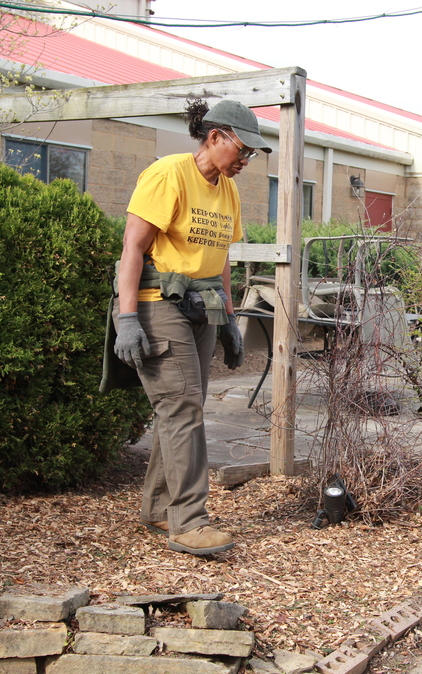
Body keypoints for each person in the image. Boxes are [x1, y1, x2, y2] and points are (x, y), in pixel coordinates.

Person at [110, 98, 269, 555]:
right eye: (242, 150)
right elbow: (132, 250)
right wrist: (127, 319)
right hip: (158, 303)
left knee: (182, 407)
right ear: (215, 136)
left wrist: (230, 322)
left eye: (251, 155)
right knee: (182, 409)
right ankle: (189, 521)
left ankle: (161, 509)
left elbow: (220, 262)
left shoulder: (228, 189)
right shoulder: (169, 174)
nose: (244, 161)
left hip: (202, 307)